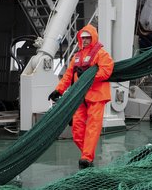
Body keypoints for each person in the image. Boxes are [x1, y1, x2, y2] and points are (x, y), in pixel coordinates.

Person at [47, 24, 114, 169]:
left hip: (97, 96)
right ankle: (87, 155)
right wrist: (58, 91)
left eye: (88, 38)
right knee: (77, 129)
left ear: (93, 38)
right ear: (79, 39)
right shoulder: (77, 57)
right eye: (83, 38)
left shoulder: (101, 54)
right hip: (79, 97)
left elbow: (106, 71)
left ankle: (86, 158)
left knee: (92, 128)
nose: (85, 41)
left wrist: (88, 75)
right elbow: (68, 76)